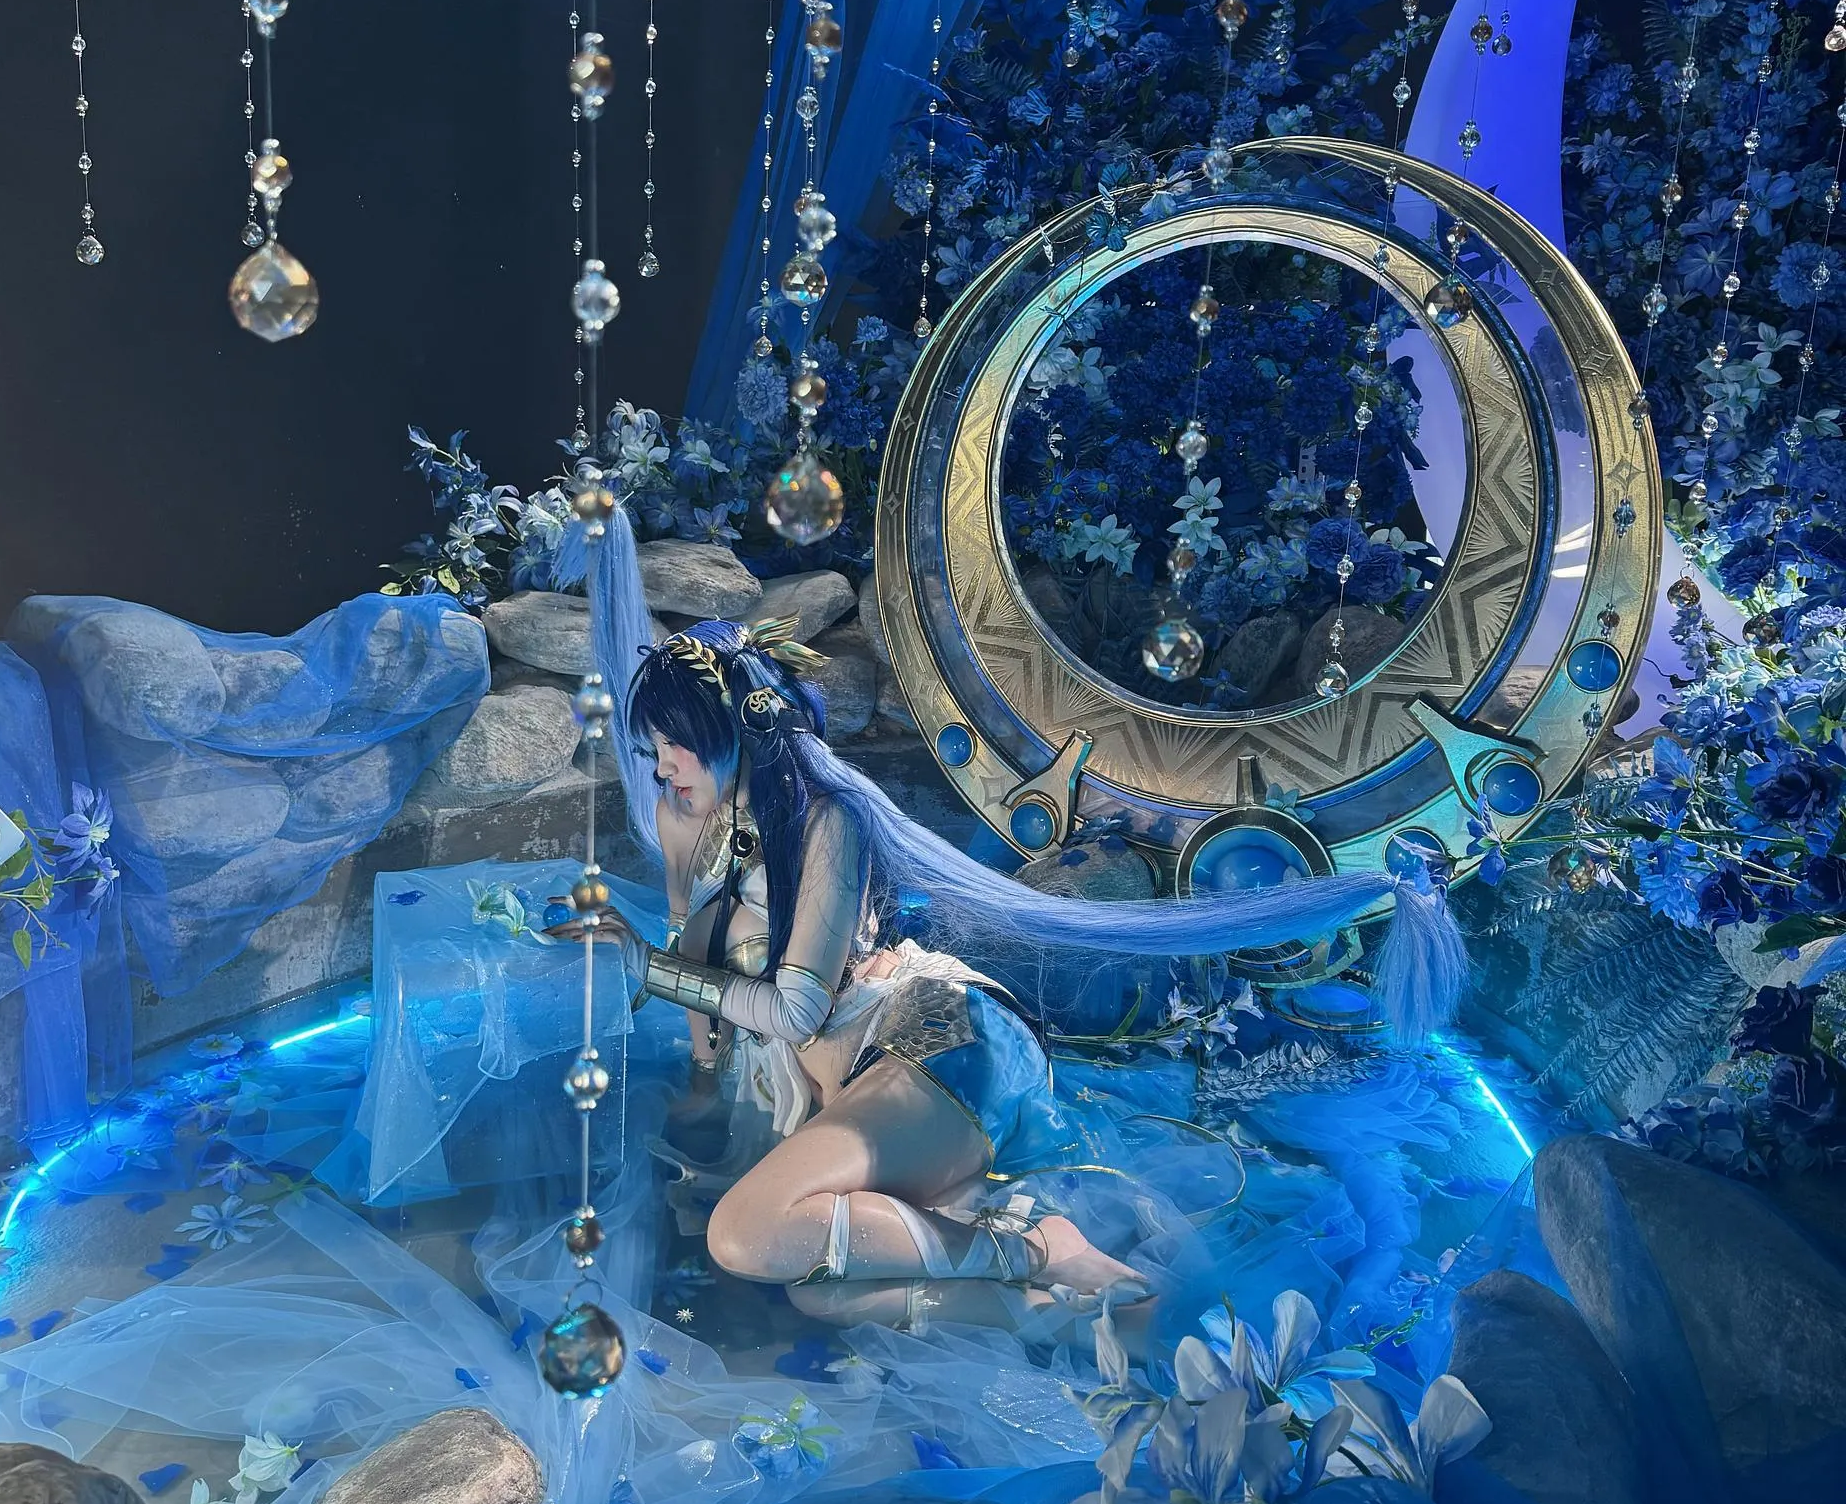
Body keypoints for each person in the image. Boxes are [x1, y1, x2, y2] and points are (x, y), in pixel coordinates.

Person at [552, 511, 1468, 1331]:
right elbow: (694, 956)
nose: (661, 766)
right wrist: (701, 1086)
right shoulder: (692, 820)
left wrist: (643, 969)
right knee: (819, 1291)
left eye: (671, 744)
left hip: (932, 1042)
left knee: (746, 1235)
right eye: (653, 748)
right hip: (860, 1085)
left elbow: (793, 1008)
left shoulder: (829, 821)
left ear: (725, 732)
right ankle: (1073, 1313)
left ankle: (1032, 1249)